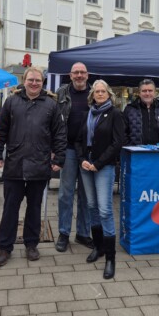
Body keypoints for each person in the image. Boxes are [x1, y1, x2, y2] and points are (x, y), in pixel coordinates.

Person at [0, 67, 67, 267]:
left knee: (34, 208)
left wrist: (59, 159)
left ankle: (31, 244)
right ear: (24, 81)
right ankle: (4, 247)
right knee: (10, 209)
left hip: (39, 165)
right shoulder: (11, 102)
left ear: (43, 83)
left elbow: (59, 134)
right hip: (14, 165)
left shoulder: (51, 105)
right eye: (31, 80)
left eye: (38, 81)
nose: (34, 83)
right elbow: (0, 131)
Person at [75, 80, 124, 279]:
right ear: (93, 95)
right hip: (86, 166)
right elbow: (78, 140)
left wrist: (99, 163)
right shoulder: (87, 114)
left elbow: (117, 142)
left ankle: (111, 258)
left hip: (104, 167)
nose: (100, 94)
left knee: (104, 210)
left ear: (109, 94)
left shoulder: (115, 114)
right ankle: (98, 247)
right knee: (92, 206)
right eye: (97, 92)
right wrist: (82, 160)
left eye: (103, 91)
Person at [54, 62, 93, 252]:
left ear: (88, 75)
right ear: (70, 75)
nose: (79, 75)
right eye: (76, 72)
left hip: (88, 151)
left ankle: (83, 234)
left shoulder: (96, 93)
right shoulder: (61, 93)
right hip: (68, 150)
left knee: (86, 195)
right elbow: (53, 121)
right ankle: (63, 232)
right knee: (65, 194)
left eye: (82, 72)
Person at [123, 79, 159, 145]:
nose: (147, 93)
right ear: (139, 93)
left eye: (150, 91)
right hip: (136, 152)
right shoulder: (129, 110)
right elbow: (122, 132)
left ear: (155, 93)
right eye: (144, 91)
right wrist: (130, 146)